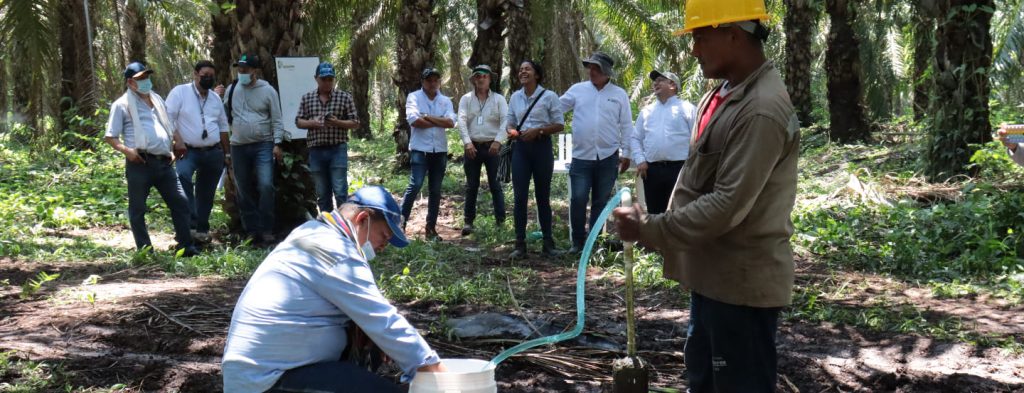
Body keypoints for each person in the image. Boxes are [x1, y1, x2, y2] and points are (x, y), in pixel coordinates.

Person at [613, 1, 800, 391]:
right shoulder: (722, 95)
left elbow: (727, 205)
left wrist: (650, 228)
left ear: (733, 34)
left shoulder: (760, 109)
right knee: (705, 381)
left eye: (700, 37)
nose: (694, 50)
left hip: (740, 288)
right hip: (713, 279)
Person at [222, 185, 447, 393]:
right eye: (384, 237)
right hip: (266, 381)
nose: (382, 247)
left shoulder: (313, 232)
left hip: (265, 373)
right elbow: (382, 319)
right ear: (363, 219)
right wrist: (431, 369)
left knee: (370, 343)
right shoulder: (336, 251)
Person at [103, 61, 197, 256]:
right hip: (140, 163)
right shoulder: (122, 105)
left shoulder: (157, 100)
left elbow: (168, 125)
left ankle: (186, 246)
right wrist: (128, 151)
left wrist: (177, 142)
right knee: (138, 209)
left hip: (164, 162)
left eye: (146, 77)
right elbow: (110, 136)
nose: (145, 81)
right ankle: (145, 250)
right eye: (140, 78)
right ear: (130, 82)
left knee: (180, 202)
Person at [560, 52, 633, 253]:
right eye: (590, 68)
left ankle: (593, 243)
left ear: (607, 73)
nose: (592, 72)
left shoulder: (619, 94)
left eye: (597, 68)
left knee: (600, 201)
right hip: (581, 156)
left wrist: (627, 153)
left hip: (608, 157)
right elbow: (556, 107)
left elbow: (626, 125)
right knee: (578, 199)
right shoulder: (578, 90)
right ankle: (577, 243)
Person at [166, 60, 229, 244]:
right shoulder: (180, 92)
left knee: (206, 193)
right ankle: (189, 226)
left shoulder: (215, 98)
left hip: (213, 152)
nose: (208, 79)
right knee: (183, 179)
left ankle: (201, 229)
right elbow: (167, 118)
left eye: (211, 76)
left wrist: (227, 153)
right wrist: (177, 140)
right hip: (187, 150)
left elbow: (223, 126)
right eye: (204, 75)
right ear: (195, 74)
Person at [225, 53, 285, 245]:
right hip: (238, 146)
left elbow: (277, 119)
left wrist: (277, 143)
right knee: (242, 187)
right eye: (240, 69)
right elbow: (224, 115)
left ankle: (266, 228)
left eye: (246, 69)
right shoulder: (231, 89)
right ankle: (251, 229)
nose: (241, 72)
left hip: (263, 145)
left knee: (266, 185)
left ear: (255, 71)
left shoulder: (268, 91)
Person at [507, 60, 565, 258]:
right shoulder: (515, 97)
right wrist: (513, 132)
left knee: (543, 196)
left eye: (527, 69)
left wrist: (539, 130)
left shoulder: (549, 96)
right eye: (521, 69)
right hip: (521, 149)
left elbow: (559, 124)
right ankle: (519, 245)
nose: (523, 72)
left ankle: (548, 244)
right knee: (520, 197)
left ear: (537, 75)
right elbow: (510, 123)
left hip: (541, 148)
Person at [400, 67, 457, 241]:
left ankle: (430, 229)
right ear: (423, 82)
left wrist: (427, 117)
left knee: (435, 190)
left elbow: (451, 122)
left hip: (439, 150)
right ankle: (400, 225)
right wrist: (439, 120)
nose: (432, 83)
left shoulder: (445, 100)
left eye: (435, 80)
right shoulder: (414, 97)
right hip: (420, 149)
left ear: (439, 82)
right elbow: (414, 121)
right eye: (429, 80)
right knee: (415, 185)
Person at [630, 70, 697, 214]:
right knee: (655, 214)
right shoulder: (647, 111)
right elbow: (635, 138)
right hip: (652, 171)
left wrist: (692, 166)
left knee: (680, 212)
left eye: (660, 80)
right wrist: (640, 160)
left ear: (672, 85)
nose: (655, 83)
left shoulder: (688, 109)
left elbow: (698, 138)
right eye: (655, 81)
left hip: (680, 169)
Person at [296, 62, 360, 213]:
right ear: (316, 79)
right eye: (323, 79)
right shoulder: (307, 98)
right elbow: (298, 121)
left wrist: (337, 122)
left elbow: (355, 123)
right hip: (316, 150)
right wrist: (312, 123)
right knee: (322, 194)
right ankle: (327, 223)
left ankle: (344, 223)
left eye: (330, 79)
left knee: (340, 191)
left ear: (334, 79)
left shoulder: (344, 97)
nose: (327, 82)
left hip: (337, 149)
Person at [457, 64, 508, 237]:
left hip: (493, 148)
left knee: (496, 185)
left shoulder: (499, 99)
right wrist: (467, 143)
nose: (481, 79)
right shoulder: (466, 99)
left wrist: (498, 141)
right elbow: (461, 121)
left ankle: (500, 221)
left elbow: (505, 121)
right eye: (478, 76)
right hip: (472, 148)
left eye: (485, 76)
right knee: (471, 186)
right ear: (473, 79)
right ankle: (468, 221)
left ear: (490, 79)